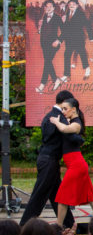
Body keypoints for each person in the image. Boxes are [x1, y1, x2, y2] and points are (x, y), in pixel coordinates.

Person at [20, 90, 80, 227]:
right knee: (39, 195)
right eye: (68, 103)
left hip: (46, 159)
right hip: (49, 161)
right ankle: (24, 227)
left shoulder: (50, 115)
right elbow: (70, 135)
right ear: (64, 101)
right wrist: (80, 139)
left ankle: (69, 224)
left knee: (57, 195)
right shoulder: (59, 116)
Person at [49, 97, 93, 226]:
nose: (63, 111)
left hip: (76, 165)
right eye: (62, 109)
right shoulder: (71, 121)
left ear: (73, 110)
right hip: (77, 164)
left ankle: (59, 226)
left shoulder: (77, 124)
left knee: (62, 197)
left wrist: (56, 121)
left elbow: (64, 129)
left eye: (65, 109)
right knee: (91, 197)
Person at [55, 0, 93, 83]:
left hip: (78, 39)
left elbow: (87, 24)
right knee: (67, 55)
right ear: (68, 5)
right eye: (70, 4)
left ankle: (87, 69)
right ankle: (67, 75)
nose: (71, 6)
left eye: (73, 4)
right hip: (69, 40)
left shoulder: (81, 14)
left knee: (82, 54)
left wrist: (91, 37)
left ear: (77, 5)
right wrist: (60, 39)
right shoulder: (68, 14)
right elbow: (65, 29)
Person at [36, 0, 63, 93]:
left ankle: (42, 85)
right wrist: (39, 27)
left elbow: (65, 31)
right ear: (44, 8)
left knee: (47, 62)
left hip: (53, 45)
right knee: (48, 62)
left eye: (50, 6)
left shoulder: (57, 18)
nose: (48, 8)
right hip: (44, 44)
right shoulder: (43, 18)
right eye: (46, 6)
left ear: (54, 8)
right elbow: (41, 32)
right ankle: (56, 80)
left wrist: (58, 40)